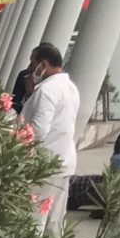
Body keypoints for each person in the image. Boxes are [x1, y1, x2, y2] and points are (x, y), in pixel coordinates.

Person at [23, 42, 83, 228]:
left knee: (35, 218)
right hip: (63, 160)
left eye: (33, 64)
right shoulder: (70, 87)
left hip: (45, 164)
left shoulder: (47, 90)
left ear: (44, 65)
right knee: (55, 219)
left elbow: (38, 130)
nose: (31, 69)